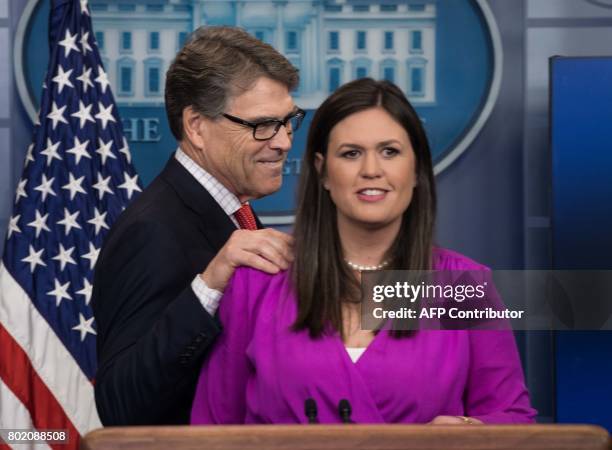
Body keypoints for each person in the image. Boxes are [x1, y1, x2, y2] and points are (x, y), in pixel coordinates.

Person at [190, 78, 536, 425]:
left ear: (416, 170)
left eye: (390, 151)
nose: (371, 170)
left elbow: (514, 418)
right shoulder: (260, 277)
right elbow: (213, 427)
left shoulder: (461, 288)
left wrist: (472, 432)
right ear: (323, 171)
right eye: (351, 153)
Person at [91, 26, 305, 425]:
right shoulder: (152, 230)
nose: (284, 142)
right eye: (262, 125)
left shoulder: (233, 214)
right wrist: (207, 288)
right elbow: (118, 405)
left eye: (288, 121)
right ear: (196, 126)